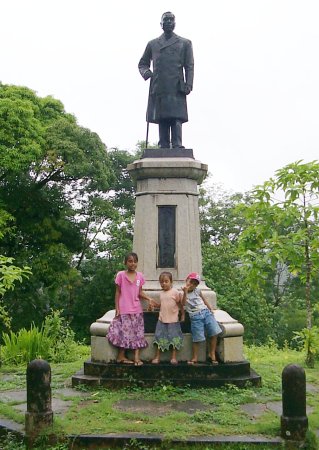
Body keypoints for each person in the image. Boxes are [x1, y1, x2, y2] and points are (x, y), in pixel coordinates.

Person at [138, 11, 194, 149]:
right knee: (162, 117)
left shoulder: (184, 43)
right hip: (159, 85)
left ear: (175, 23)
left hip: (176, 85)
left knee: (176, 117)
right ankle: (163, 144)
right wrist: (147, 73)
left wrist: (189, 84)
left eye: (171, 20)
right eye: (166, 20)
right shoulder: (153, 44)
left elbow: (189, 65)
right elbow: (142, 63)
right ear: (161, 24)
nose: (168, 22)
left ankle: (177, 144)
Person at [107, 252, 153, 366]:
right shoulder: (121, 275)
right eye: (130, 261)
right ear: (125, 262)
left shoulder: (140, 276)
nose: (133, 263)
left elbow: (139, 292)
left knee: (138, 333)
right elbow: (117, 292)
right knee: (125, 334)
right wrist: (117, 308)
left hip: (137, 309)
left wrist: (149, 298)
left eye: (135, 261)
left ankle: (137, 358)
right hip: (124, 309)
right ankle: (121, 356)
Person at [181, 272, 222, 365]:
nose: (191, 285)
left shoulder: (198, 291)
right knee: (197, 337)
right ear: (186, 281)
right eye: (190, 282)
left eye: (194, 284)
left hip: (206, 313)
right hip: (195, 316)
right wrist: (185, 292)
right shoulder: (182, 292)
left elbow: (203, 300)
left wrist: (210, 308)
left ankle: (212, 353)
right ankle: (195, 357)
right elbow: (183, 304)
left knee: (214, 332)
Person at [151, 271, 184, 365]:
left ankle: (173, 357)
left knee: (174, 338)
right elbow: (161, 305)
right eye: (161, 282)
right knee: (159, 337)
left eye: (166, 281)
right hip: (162, 319)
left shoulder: (175, 292)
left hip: (173, 320)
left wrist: (182, 315)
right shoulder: (161, 294)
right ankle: (157, 356)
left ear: (171, 282)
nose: (163, 283)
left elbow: (180, 304)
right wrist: (154, 304)